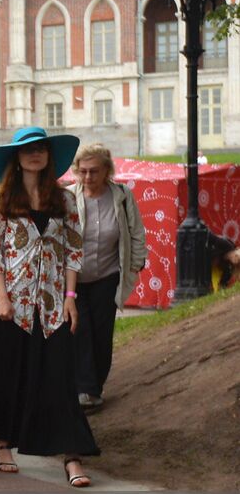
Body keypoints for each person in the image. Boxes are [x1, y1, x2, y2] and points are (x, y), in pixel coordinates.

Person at [0, 127, 97, 487]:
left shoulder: (66, 200)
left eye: (41, 149)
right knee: (7, 373)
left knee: (60, 377)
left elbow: (73, 251)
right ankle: (2, 445)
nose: (35, 154)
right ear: (16, 157)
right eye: (27, 149)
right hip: (12, 301)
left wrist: (71, 299)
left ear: (49, 156)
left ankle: (72, 457)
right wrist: (1, 296)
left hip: (54, 302)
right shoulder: (0, 200)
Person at [69, 143, 146, 409]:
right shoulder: (68, 197)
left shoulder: (122, 196)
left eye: (94, 171)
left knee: (102, 334)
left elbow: (135, 231)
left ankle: (94, 387)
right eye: (83, 172)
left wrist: (135, 264)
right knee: (80, 332)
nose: (88, 178)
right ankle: (85, 390)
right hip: (74, 280)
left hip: (107, 275)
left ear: (107, 171)